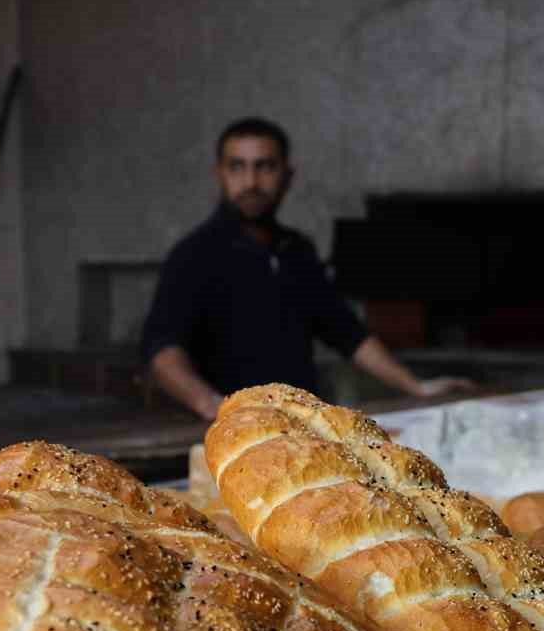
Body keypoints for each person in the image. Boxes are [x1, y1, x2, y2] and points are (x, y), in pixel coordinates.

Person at [139, 117, 474, 421]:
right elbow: (162, 351)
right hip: (233, 434)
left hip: (301, 429)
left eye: (265, 167)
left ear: (287, 175)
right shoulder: (194, 254)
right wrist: (214, 407)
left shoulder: (297, 250)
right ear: (219, 174)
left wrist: (415, 386)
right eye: (237, 167)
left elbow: (346, 333)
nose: (251, 181)